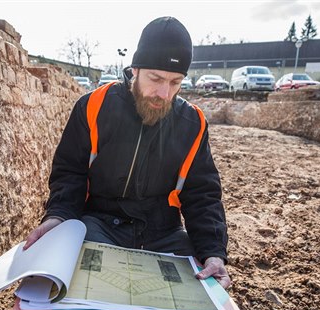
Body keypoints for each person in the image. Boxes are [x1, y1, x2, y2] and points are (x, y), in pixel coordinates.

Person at [23, 16, 231, 289]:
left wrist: (213, 251)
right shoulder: (93, 106)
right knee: (83, 281)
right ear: (135, 69)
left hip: (162, 232)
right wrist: (58, 216)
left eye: (175, 82)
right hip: (100, 225)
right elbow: (70, 172)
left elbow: (202, 193)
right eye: (155, 78)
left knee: (196, 277)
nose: (164, 93)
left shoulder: (193, 123)